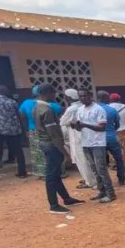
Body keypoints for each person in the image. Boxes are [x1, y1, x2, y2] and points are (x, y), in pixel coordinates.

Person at [33, 84, 84, 214]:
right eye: (53, 93)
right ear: (48, 93)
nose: (55, 96)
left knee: (55, 174)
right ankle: (54, 205)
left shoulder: (37, 107)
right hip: (51, 145)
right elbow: (54, 135)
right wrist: (65, 153)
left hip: (45, 143)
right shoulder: (47, 110)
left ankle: (66, 198)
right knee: (51, 176)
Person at [75, 89, 116, 203]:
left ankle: (110, 193)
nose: (82, 98)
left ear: (90, 96)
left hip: (97, 143)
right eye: (80, 96)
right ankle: (101, 191)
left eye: (84, 96)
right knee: (94, 169)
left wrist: (85, 125)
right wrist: (77, 126)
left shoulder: (98, 109)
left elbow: (102, 127)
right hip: (86, 142)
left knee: (101, 168)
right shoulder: (80, 110)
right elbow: (80, 126)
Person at [20, 86, 63, 177]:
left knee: (37, 152)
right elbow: (60, 112)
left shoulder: (26, 103)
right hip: (47, 131)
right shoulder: (48, 105)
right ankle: (58, 172)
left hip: (32, 130)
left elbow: (22, 116)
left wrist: (26, 130)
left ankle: (42, 173)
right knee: (53, 150)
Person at [0, 85, 26, 177]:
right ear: (6, 92)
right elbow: (19, 115)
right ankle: (22, 172)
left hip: (0, 129)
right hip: (13, 130)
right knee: (19, 151)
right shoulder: (12, 102)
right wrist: (22, 130)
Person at [60, 89, 95, 189]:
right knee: (87, 159)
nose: (65, 98)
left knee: (82, 160)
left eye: (66, 96)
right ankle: (90, 179)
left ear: (70, 97)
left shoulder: (72, 109)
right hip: (84, 135)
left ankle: (90, 181)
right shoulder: (82, 106)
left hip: (77, 136)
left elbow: (62, 122)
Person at [96, 91, 125, 186]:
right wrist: (112, 130)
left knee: (101, 162)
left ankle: (104, 182)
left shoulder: (93, 109)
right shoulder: (111, 110)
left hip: (98, 139)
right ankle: (121, 179)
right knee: (119, 159)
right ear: (104, 98)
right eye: (108, 98)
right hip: (111, 137)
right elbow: (117, 124)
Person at [108, 93, 125, 169]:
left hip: (113, 130)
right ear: (119, 99)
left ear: (110, 99)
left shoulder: (107, 108)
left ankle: (114, 164)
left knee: (113, 148)